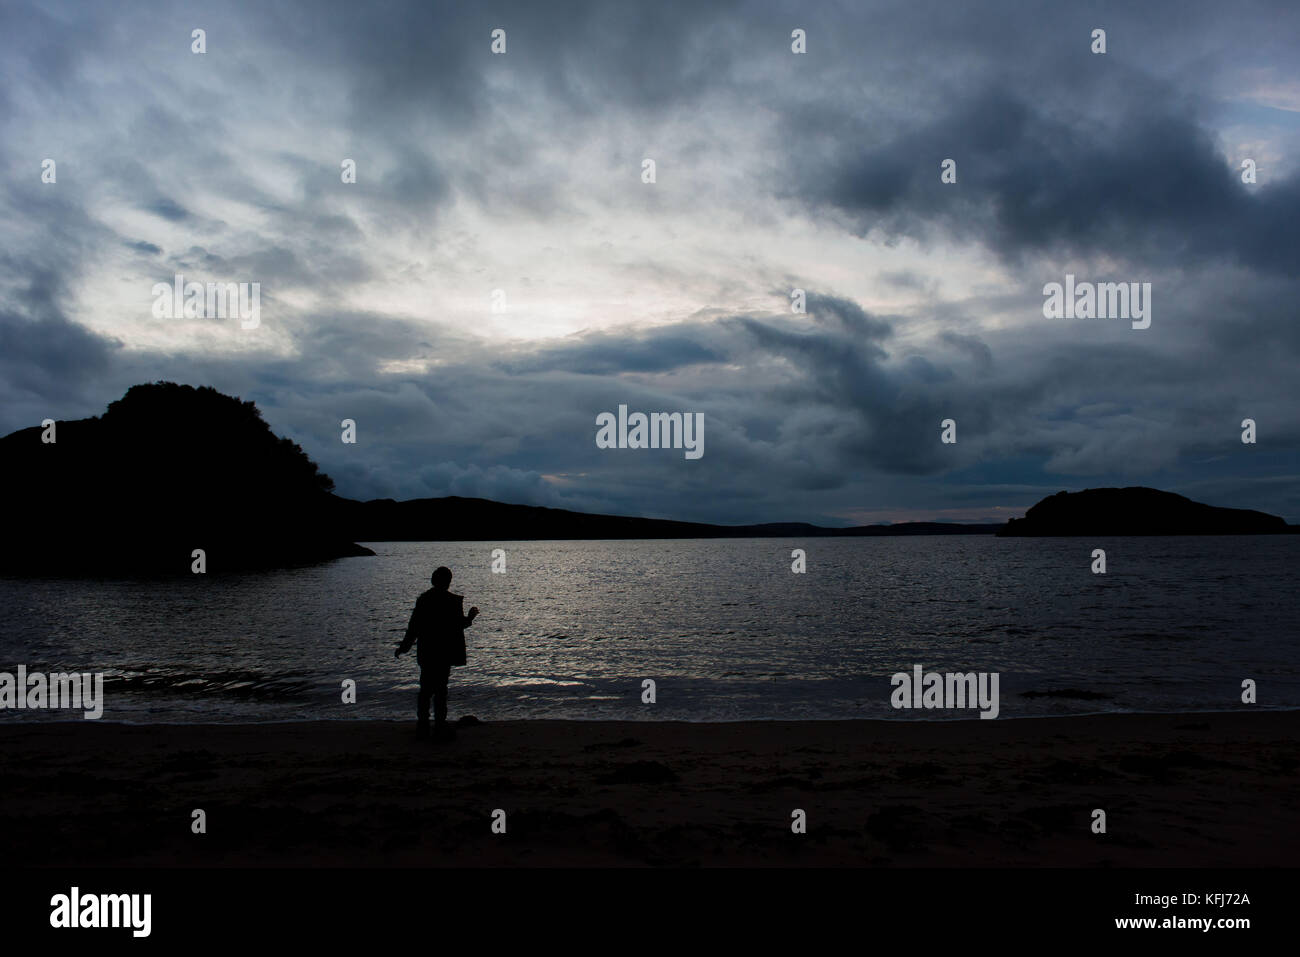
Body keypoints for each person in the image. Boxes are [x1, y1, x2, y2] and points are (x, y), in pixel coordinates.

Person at [395, 566, 478, 740]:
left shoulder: (424, 600)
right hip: (443, 652)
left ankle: (423, 725)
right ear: (448, 582)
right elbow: (457, 625)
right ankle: (438, 725)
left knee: (426, 689)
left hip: (427, 652)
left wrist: (404, 647)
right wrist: (469, 619)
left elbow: (413, 627)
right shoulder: (450, 601)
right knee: (440, 690)